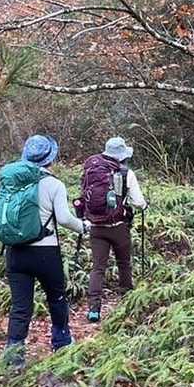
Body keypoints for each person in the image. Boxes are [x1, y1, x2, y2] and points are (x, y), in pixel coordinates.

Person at [0, 135, 86, 365]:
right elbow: (64, 218)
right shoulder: (54, 184)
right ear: (50, 159)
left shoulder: (10, 182)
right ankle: (61, 342)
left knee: (20, 306)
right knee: (56, 297)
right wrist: (83, 227)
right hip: (46, 251)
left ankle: (14, 357)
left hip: (15, 251)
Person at [79, 136, 147, 323]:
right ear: (122, 155)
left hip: (96, 227)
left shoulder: (91, 169)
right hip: (118, 226)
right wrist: (144, 205)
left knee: (98, 268)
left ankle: (94, 309)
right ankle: (127, 302)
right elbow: (138, 202)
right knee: (124, 263)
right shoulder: (126, 173)